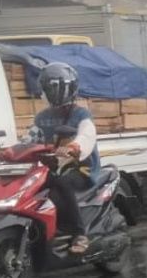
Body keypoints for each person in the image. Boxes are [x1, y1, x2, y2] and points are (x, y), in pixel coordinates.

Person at [23, 62, 99, 255]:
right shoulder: (43, 117)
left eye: (54, 87)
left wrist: (74, 147)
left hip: (82, 168)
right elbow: (29, 138)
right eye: (48, 88)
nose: (52, 92)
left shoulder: (81, 115)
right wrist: (11, 150)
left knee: (61, 184)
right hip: (53, 168)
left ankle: (80, 234)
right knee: (32, 187)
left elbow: (86, 136)